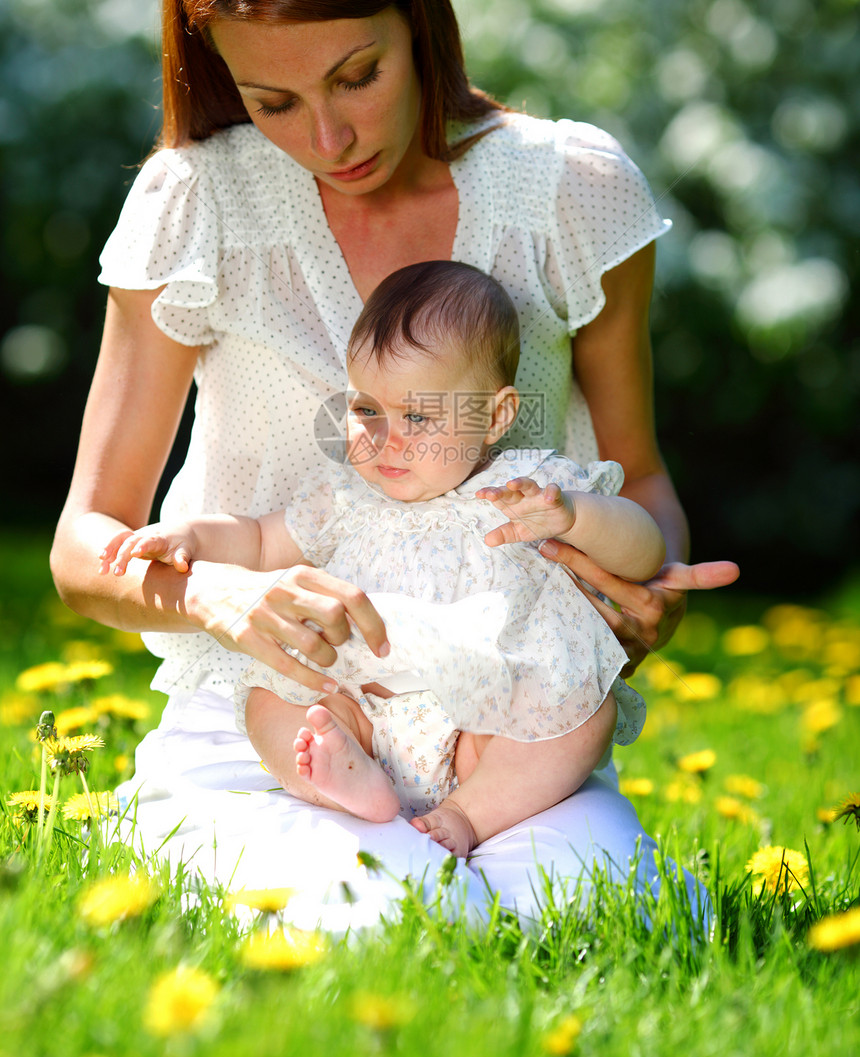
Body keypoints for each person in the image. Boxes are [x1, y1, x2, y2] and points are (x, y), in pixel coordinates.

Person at [50, 0, 738, 925]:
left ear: (417, 20)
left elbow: (642, 483)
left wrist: (643, 596)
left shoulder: (569, 189)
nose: (326, 138)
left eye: (355, 76)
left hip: (502, 738)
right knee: (387, 916)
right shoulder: (196, 203)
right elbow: (85, 546)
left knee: (605, 920)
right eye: (271, 99)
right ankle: (204, 823)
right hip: (278, 725)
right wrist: (223, 598)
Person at [100, 261, 667, 857]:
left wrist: (577, 516)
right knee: (272, 697)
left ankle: (469, 814)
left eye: (418, 417)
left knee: (583, 714)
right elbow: (259, 540)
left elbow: (645, 550)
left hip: (488, 721)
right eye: (367, 409)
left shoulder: (530, 488)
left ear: (495, 416)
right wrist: (190, 537)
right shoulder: (345, 496)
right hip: (361, 707)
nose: (385, 438)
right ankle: (340, 779)